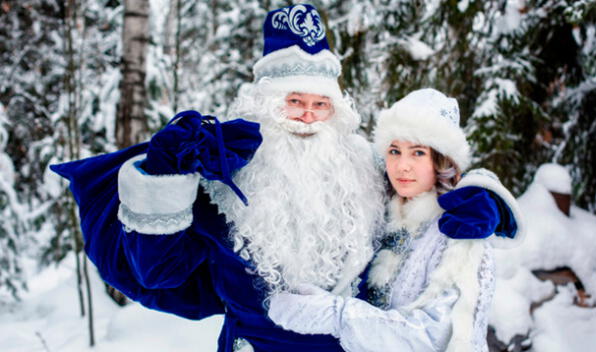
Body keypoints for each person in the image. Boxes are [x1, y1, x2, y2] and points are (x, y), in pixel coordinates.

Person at [51, 4, 520, 352]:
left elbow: (424, 176)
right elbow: (159, 271)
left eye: (321, 104)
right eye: (294, 102)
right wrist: (165, 174)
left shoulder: (360, 167)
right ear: (265, 104)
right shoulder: (225, 182)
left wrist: (481, 193)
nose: (308, 117)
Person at [268, 88, 524, 352]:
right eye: (394, 151)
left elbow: (435, 336)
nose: (402, 166)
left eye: (418, 153)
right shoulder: (381, 217)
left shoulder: (461, 231)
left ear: (442, 160)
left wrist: (337, 314)